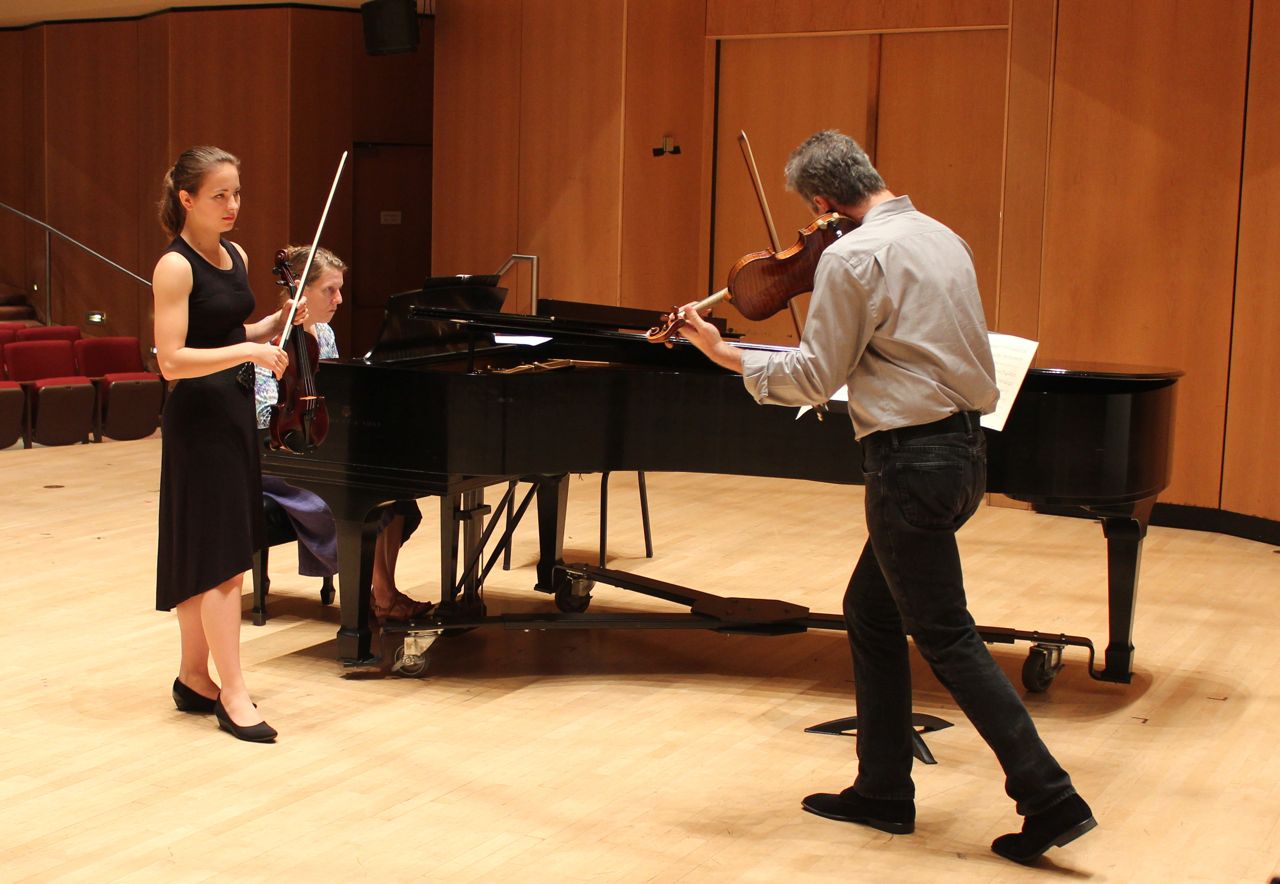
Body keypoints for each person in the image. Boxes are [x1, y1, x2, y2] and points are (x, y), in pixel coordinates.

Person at [673, 130, 1095, 865]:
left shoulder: (851, 257)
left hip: (909, 462)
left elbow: (814, 377)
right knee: (869, 611)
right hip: (964, 453)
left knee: (947, 636)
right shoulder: (942, 237)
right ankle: (882, 788)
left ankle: (1049, 796)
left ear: (822, 202)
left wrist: (721, 351)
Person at [153, 146, 307, 743]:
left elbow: (224, 329)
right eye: (219, 195)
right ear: (186, 198)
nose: (232, 204)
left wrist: (271, 325)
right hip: (198, 420)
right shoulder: (175, 266)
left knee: (210, 552)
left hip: (233, 411)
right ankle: (233, 692)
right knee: (221, 562)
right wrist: (248, 351)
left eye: (237, 193)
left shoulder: (235, 255)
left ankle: (194, 676)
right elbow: (171, 360)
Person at [254, 245, 433, 622]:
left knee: (391, 492)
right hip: (278, 458)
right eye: (329, 290)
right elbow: (264, 416)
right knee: (356, 499)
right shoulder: (266, 344)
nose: (338, 299)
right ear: (300, 292)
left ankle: (382, 591)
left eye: (339, 289)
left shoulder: (324, 334)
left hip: (321, 448)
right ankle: (382, 596)